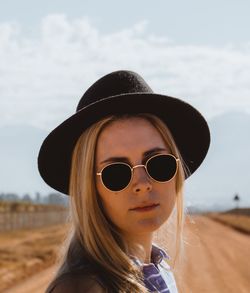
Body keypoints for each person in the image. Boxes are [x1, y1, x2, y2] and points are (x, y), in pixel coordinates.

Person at [38, 70, 210, 292]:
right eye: (116, 173)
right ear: (90, 188)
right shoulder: (84, 288)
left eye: (158, 164)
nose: (142, 183)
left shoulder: (160, 270)